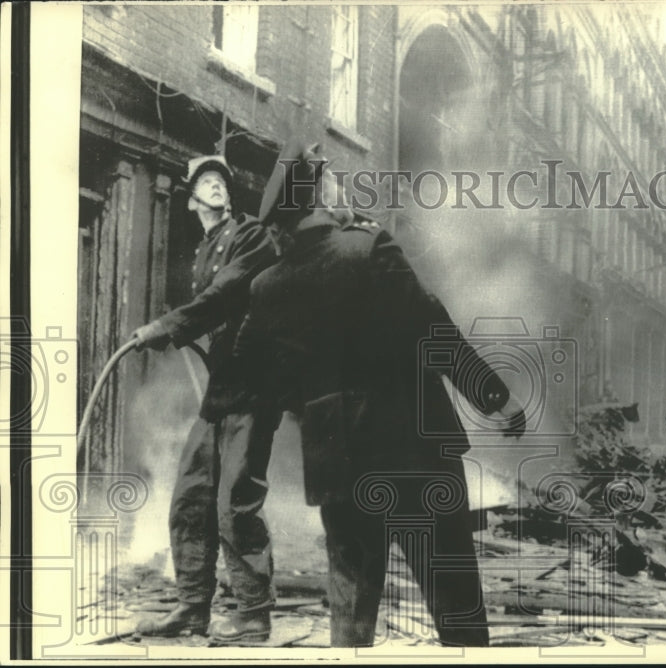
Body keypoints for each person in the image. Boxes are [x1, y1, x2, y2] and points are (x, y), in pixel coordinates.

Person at [233, 139, 527, 647]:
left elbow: (262, 383)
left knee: (350, 607)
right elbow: (430, 329)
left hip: (335, 458)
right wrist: (494, 397)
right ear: (318, 194)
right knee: (453, 598)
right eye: (332, 179)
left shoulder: (266, 287)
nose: (342, 186)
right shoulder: (369, 247)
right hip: (412, 448)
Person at [131, 155, 280, 643]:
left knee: (234, 501)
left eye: (221, 181)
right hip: (222, 388)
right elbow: (213, 302)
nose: (216, 187)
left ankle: (254, 616)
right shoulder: (204, 248)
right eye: (206, 182)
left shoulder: (252, 234)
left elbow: (226, 292)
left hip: (255, 384)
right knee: (192, 498)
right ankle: (193, 607)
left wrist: (167, 327)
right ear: (192, 198)